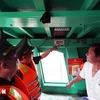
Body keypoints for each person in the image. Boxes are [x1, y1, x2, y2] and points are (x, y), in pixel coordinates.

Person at [0, 29, 29, 100]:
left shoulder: (12, 80)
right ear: (5, 65)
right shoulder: (3, 97)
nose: (19, 58)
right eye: (16, 55)